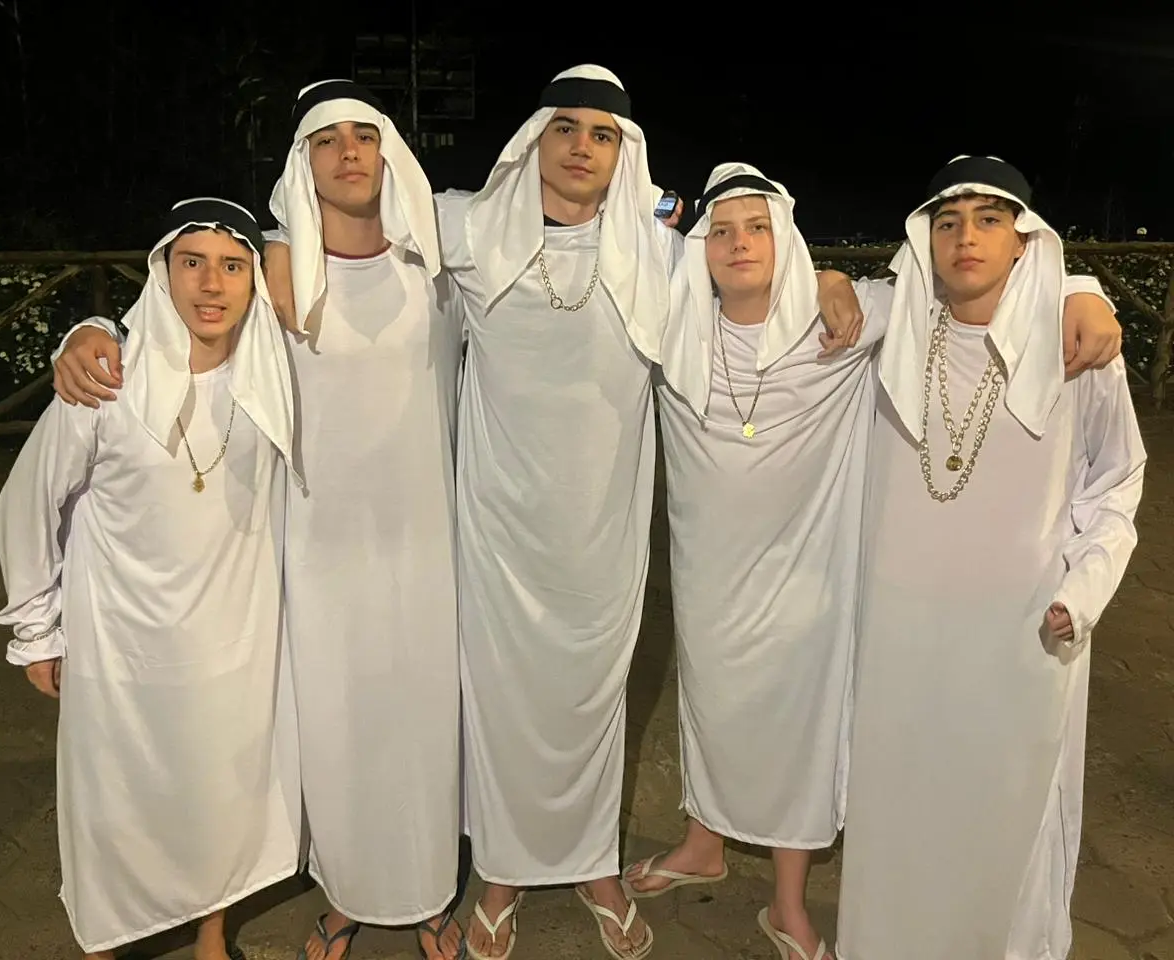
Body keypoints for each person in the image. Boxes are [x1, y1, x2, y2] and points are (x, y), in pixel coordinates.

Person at [625, 162, 1125, 960]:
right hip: (712, 573)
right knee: (713, 703)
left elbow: (1110, 469)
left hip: (831, 580)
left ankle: (797, 905)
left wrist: (1082, 288)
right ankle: (703, 842)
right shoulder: (674, 328)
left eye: (758, 228)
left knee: (812, 726)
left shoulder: (847, 327)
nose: (739, 244)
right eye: (720, 231)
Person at [432, 67, 863, 960]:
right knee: (505, 701)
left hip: (605, 529)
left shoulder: (659, 253)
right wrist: (267, 249)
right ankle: (501, 874)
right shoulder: (467, 228)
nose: (582, 146)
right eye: (566, 128)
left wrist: (826, 273)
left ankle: (593, 864)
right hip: (498, 527)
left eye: (603, 134)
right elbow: (350, 227)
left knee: (594, 702)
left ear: (623, 152)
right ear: (536, 139)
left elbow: (758, 262)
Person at [48, 81, 466, 960]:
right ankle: (347, 892)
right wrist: (86, 330)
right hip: (311, 548)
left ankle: (428, 889)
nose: (349, 153)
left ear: (389, 151)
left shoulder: (438, 262)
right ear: (301, 164)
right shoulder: (277, 273)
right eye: (327, 140)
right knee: (334, 728)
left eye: (365, 136)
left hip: (425, 545)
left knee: (423, 723)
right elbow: (178, 321)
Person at [835, 155, 1146, 960]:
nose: (965, 237)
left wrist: (1084, 592)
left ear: (1023, 240)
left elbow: (1117, 480)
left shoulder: (1076, 347)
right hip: (904, 638)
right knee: (901, 810)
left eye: (988, 219)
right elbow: (807, 301)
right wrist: (831, 277)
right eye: (947, 222)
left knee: (1003, 817)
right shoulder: (897, 329)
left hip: (1021, 635)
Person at [0, 198, 299, 960]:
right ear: (162, 272)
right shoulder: (107, 382)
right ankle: (104, 941)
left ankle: (210, 933)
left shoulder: (270, 379)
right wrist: (37, 629)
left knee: (220, 797)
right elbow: (26, 503)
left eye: (232, 266)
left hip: (233, 641)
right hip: (122, 644)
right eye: (192, 262)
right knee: (116, 804)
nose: (211, 285)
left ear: (253, 283)